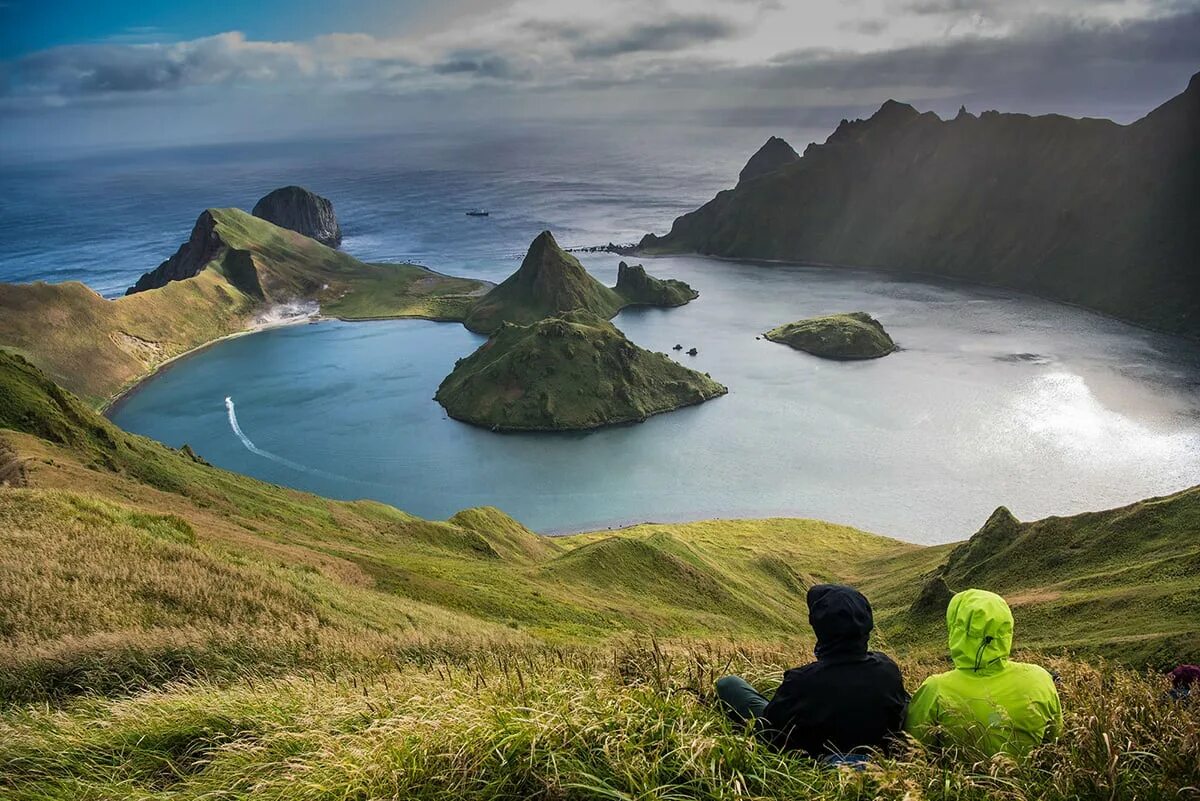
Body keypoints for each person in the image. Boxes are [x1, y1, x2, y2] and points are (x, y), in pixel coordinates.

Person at [715, 584, 909, 761]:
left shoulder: (800, 681)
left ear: (820, 629)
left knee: (729, 684)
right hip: (877, 759)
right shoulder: (888, 669)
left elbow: (773, 730)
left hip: (812, 760)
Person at [905, 588, 1062, 756]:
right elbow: (1054, 737)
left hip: (963, 780)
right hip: (1030, 780)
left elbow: (915, 749)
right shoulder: (1040, 678)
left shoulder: (935, 689)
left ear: (957, 632)